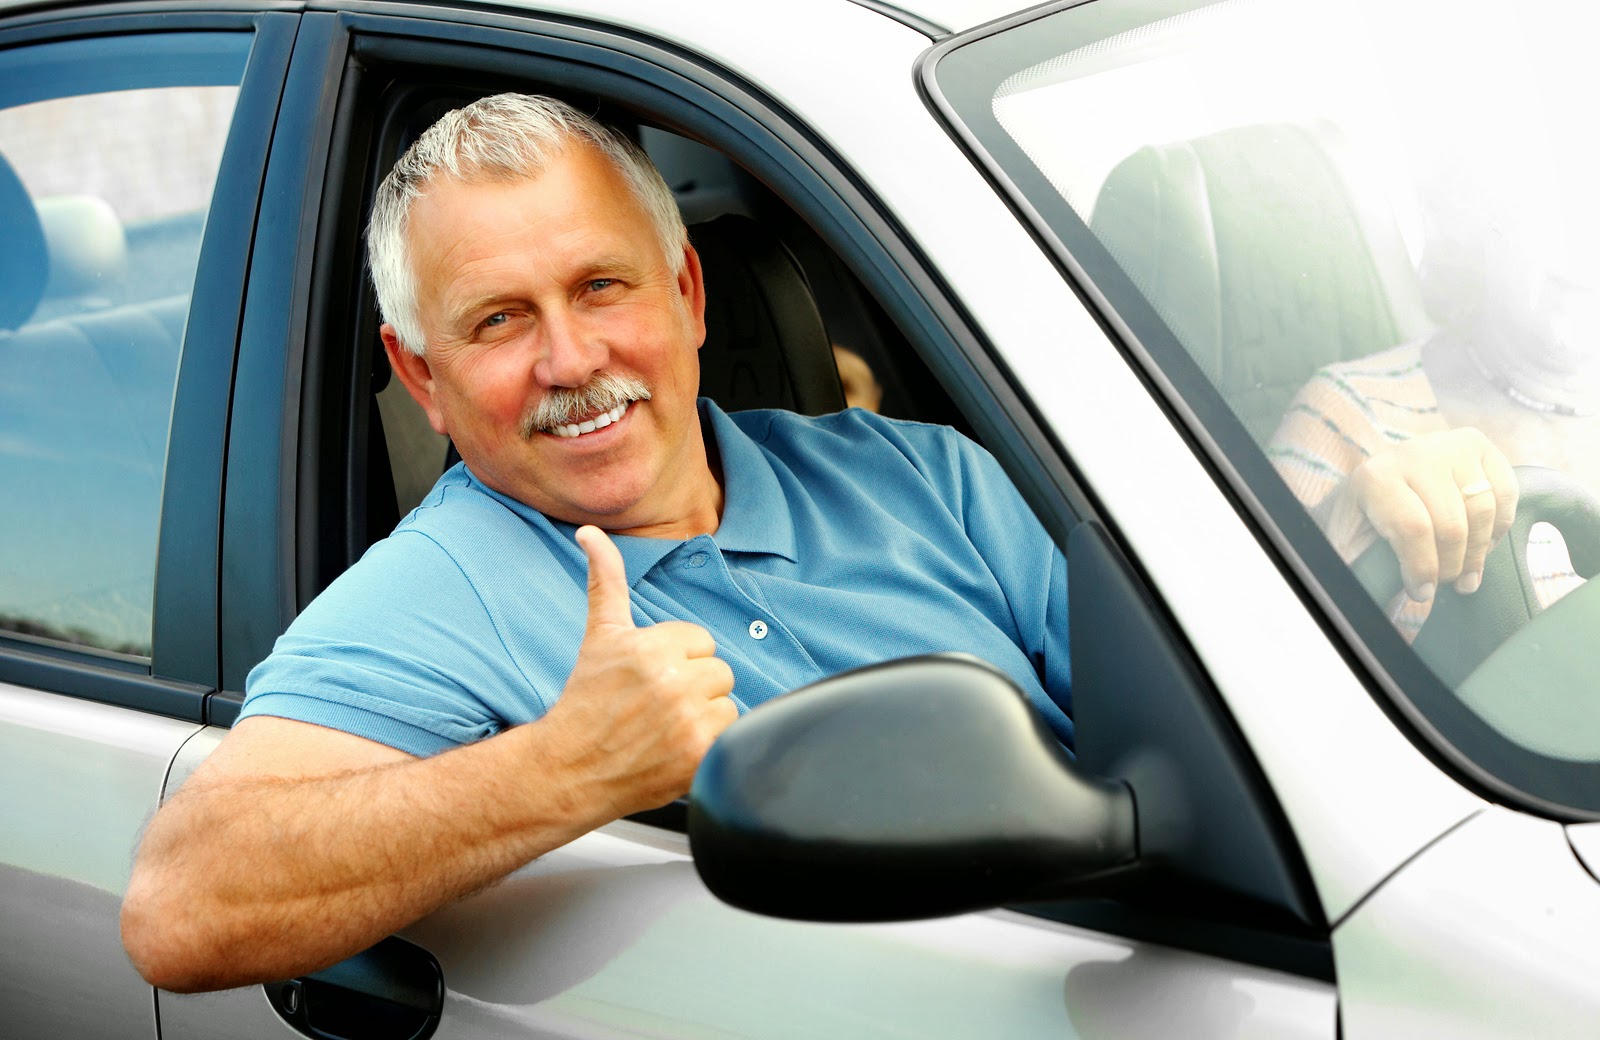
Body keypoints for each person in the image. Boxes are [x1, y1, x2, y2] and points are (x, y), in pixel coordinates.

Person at [119, 93, 1071, 992]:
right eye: (499, 319)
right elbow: (180, 908)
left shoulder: (925, 476)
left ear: (688, 294)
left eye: (600, 286)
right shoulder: (442, 588)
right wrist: (571, 766)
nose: (571, 361)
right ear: (423, 378)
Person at [1267, 222, 1599, 637]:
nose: (1588, 234)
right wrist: (1341, 525)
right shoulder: (1346, 410)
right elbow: (1260, 628)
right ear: (1480, 220)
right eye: (1560, 202)